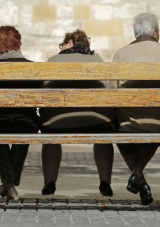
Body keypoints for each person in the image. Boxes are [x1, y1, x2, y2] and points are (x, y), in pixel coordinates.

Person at [112, 13, 160, 205]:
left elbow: (112, 91)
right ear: (154, 32)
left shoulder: (120, 53)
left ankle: (140, 180)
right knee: (156, 122)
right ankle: (137, 176)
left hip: (130, 121)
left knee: (123, 127)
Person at [39, 29, 117, 196]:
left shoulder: (53, 60)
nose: (61, 47)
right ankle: (105, 181)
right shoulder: (97, 59)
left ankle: (49, 182)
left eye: (63, 44)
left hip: (56, 123)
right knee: (104, 137)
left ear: (71, 43)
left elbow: (43, 92)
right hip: (97, 121)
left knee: (50, 139)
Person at [0, 26, 40, 201]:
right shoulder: (34, 69)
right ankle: (10, 184)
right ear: (18, 43)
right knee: (25, 129)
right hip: (27, 122)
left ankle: (8, 184)